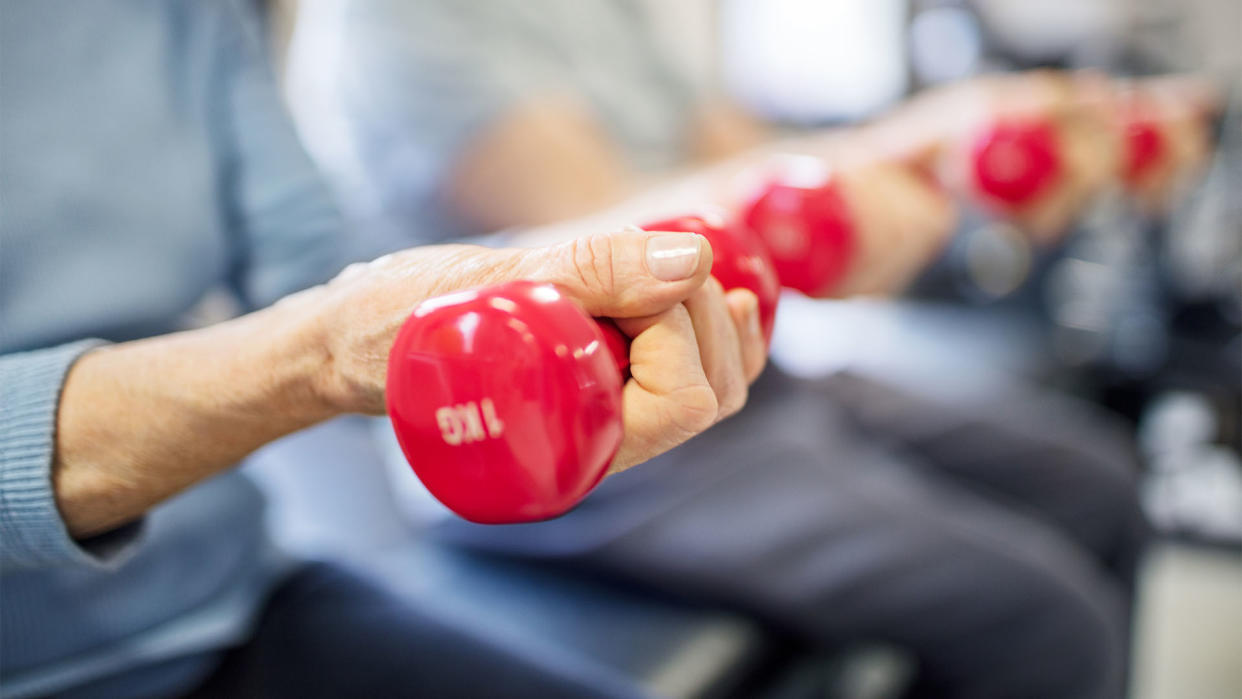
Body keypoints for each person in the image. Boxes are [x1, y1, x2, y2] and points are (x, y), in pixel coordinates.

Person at [295, 2, 1162, 696]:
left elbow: (746, 159)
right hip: (569, 452)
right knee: (1045, 619)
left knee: (1097, 482)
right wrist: (909, 141)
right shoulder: (403, 17)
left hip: (729, 369)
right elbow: (611, 246)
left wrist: (941, 160)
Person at [0, 2, 767, 697]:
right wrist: (327, 355)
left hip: (229, 599)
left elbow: (309, 269)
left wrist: (543, 306)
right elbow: (324, 334)